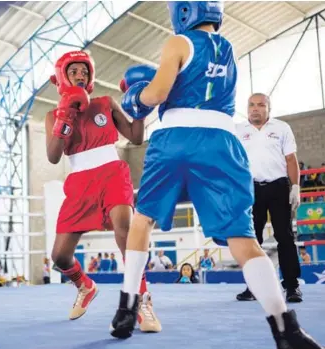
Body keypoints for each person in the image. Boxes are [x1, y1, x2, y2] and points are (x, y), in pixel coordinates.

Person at [109, 2, 324, 348]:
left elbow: (158, 94)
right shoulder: (229, 50)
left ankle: (127, 307)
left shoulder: (178, 43)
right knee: (244, 238)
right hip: (224, 144)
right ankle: (286, 328)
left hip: (177, 139)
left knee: (142, 219)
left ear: (182, 11)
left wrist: (136, 98)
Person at [45, 50, 161, 332]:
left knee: (124, 224)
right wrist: (65, 117)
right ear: (62, 77)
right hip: (79, 182)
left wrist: (141, 106)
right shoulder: (52, 115)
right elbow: (52, 156)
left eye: (84, 71)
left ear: (91, 76)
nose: (80, 75)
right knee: (60, 256)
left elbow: (135, 137)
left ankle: (141, 298)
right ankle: (84, 286)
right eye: (73, 72)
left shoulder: (105, 103)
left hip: (111, 172)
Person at [236, 93, 303, 303]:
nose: (255, 108)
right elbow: (232, 161)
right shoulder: (238, 131)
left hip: (278, 187)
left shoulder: (281, 128)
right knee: (251, 239)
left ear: (269, 108)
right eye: (251, 105)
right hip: (250, 189)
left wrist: (295, 188)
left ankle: (292, 286)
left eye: (260, 105)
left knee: (284, 236)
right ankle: (253, 286)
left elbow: (291, 159)